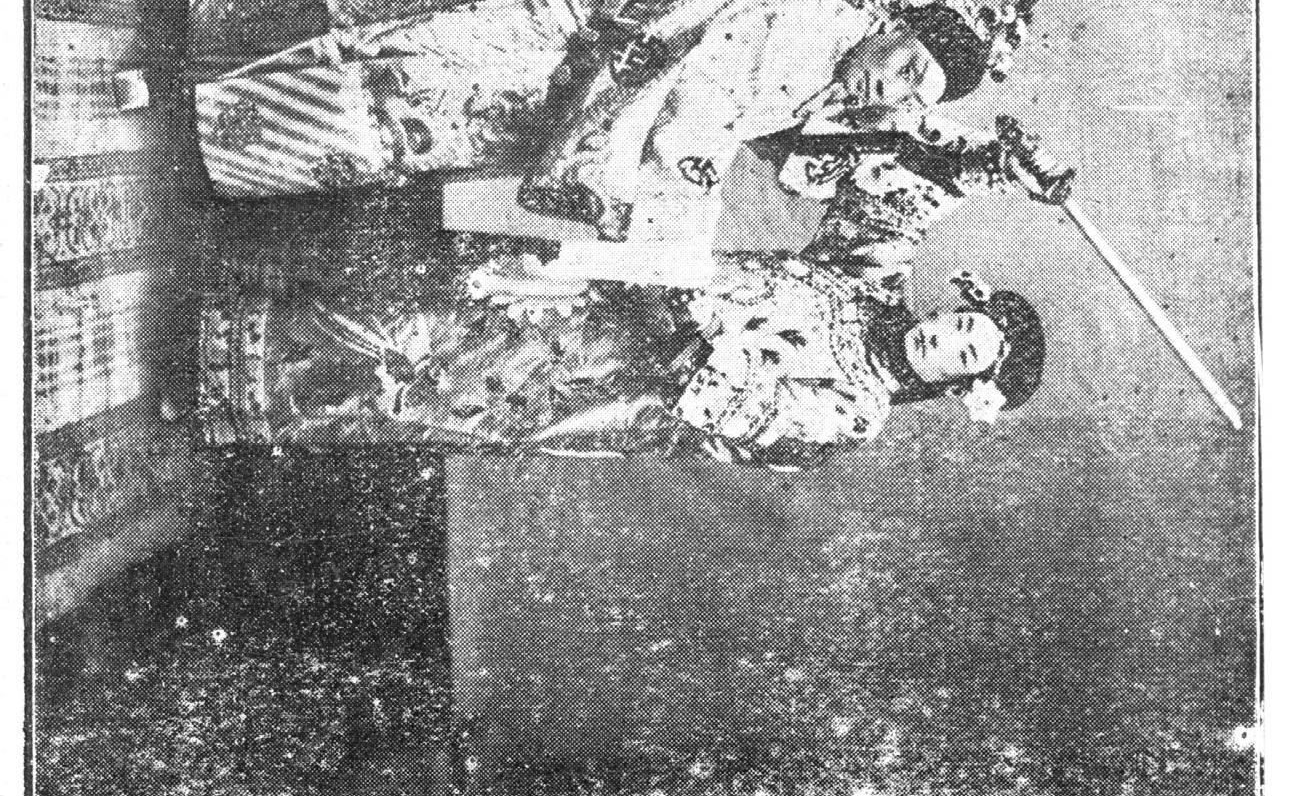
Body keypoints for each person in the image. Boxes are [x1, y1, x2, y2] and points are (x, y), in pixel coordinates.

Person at [183, 0, 989, 216]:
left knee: (416, 137)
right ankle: (214, 86)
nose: (894, 90)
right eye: (910, 66)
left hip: (590, 111)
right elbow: (690, 53)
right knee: (405, 62)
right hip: (580, 52)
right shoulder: (807, 8)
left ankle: (227, 147)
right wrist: (685, 158)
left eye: (911, 95)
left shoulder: (828, 88)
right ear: (898, 26)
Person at [198, 219, 1046, 467]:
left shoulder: (859, 409)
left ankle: (224, 388)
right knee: (446, 290)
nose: (945, 336)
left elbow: (739, 411)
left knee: (428, 381)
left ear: (956, 383)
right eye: (961, 321)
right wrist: (989, 167)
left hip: (619, 380)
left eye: (963, 353)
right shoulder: (866, 283)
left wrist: (704, 328)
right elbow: (884, 180)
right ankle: (236, 301)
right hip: (612, 289)